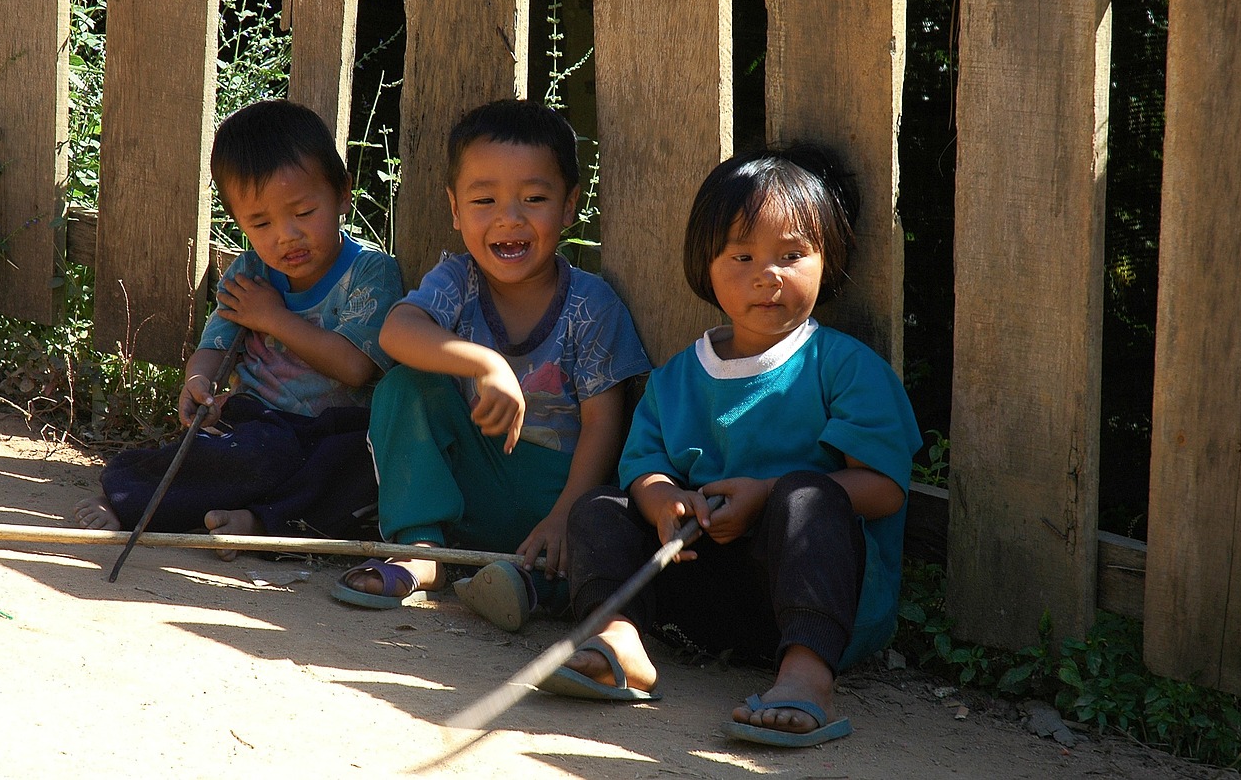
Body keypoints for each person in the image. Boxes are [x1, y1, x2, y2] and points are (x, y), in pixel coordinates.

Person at [537, 142, 922, 748]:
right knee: (601, 509)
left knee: (807, 496)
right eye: (741, 255)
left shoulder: (843, 367)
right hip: (696, 599)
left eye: (792, 255)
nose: (768, 275)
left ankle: (806, 676)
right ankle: (620, 639)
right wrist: (665, 502)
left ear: (829, 259)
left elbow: (883, 489)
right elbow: (645, 467)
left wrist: (767, 495)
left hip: (815, 603)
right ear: (706, 266)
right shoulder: (677, 379)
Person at [332, 99, 651, 628]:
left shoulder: (591, 306)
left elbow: (603, 427)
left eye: (533, 197)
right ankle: (420, 551)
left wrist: (563, 516)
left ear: (569, 206)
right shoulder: (458, 281)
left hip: (558, 489)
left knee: (592, 531)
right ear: (455, 209)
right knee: (405, 386)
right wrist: (486, 364)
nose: (510, 217)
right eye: (485, 199)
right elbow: (396, 331)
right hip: (473, 478)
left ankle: (527, 584)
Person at [73, 100, 404, 559]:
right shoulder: (251, 275)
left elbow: (353, 366)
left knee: (366, 472)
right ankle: (129, 499)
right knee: (241, 455)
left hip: (339, 431)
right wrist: (198, 380)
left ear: (343, 193)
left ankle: (259, 523)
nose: (286, 235)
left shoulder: (371, 274)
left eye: (304, 212)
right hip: (259, 423)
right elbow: (215, 345)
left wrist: (272, 318)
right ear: (238, 222)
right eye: (261, 222)